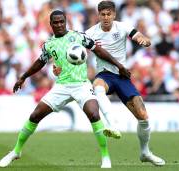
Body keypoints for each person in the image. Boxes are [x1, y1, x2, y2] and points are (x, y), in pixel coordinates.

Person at [0, 10, 131, 169]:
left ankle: (105, 157)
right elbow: (40, 62)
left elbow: (98, 50)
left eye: (62, 21)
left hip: (81, 84)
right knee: (35, 115)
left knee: (94, 114)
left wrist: (119, 66)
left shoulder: (78, 37)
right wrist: (23, 76)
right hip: (62, 86)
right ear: (51, 24)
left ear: (66, 21)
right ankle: (16, 151)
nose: (59, 25)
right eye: (56, 22)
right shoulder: (49, 44)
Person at [54, 1, 165, 166]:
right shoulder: (90, 33)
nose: (106, 17)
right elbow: (72, 51)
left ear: (114, 15)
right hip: (104, 74)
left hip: (122, 76)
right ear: (98, 16)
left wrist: (144, 40)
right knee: (97, 86)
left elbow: (138, 36)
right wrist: (59, 67)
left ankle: (145, 152)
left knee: (143, 117)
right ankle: (112, 124)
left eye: (109, 14)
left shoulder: (123, 27)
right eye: (102, 14)